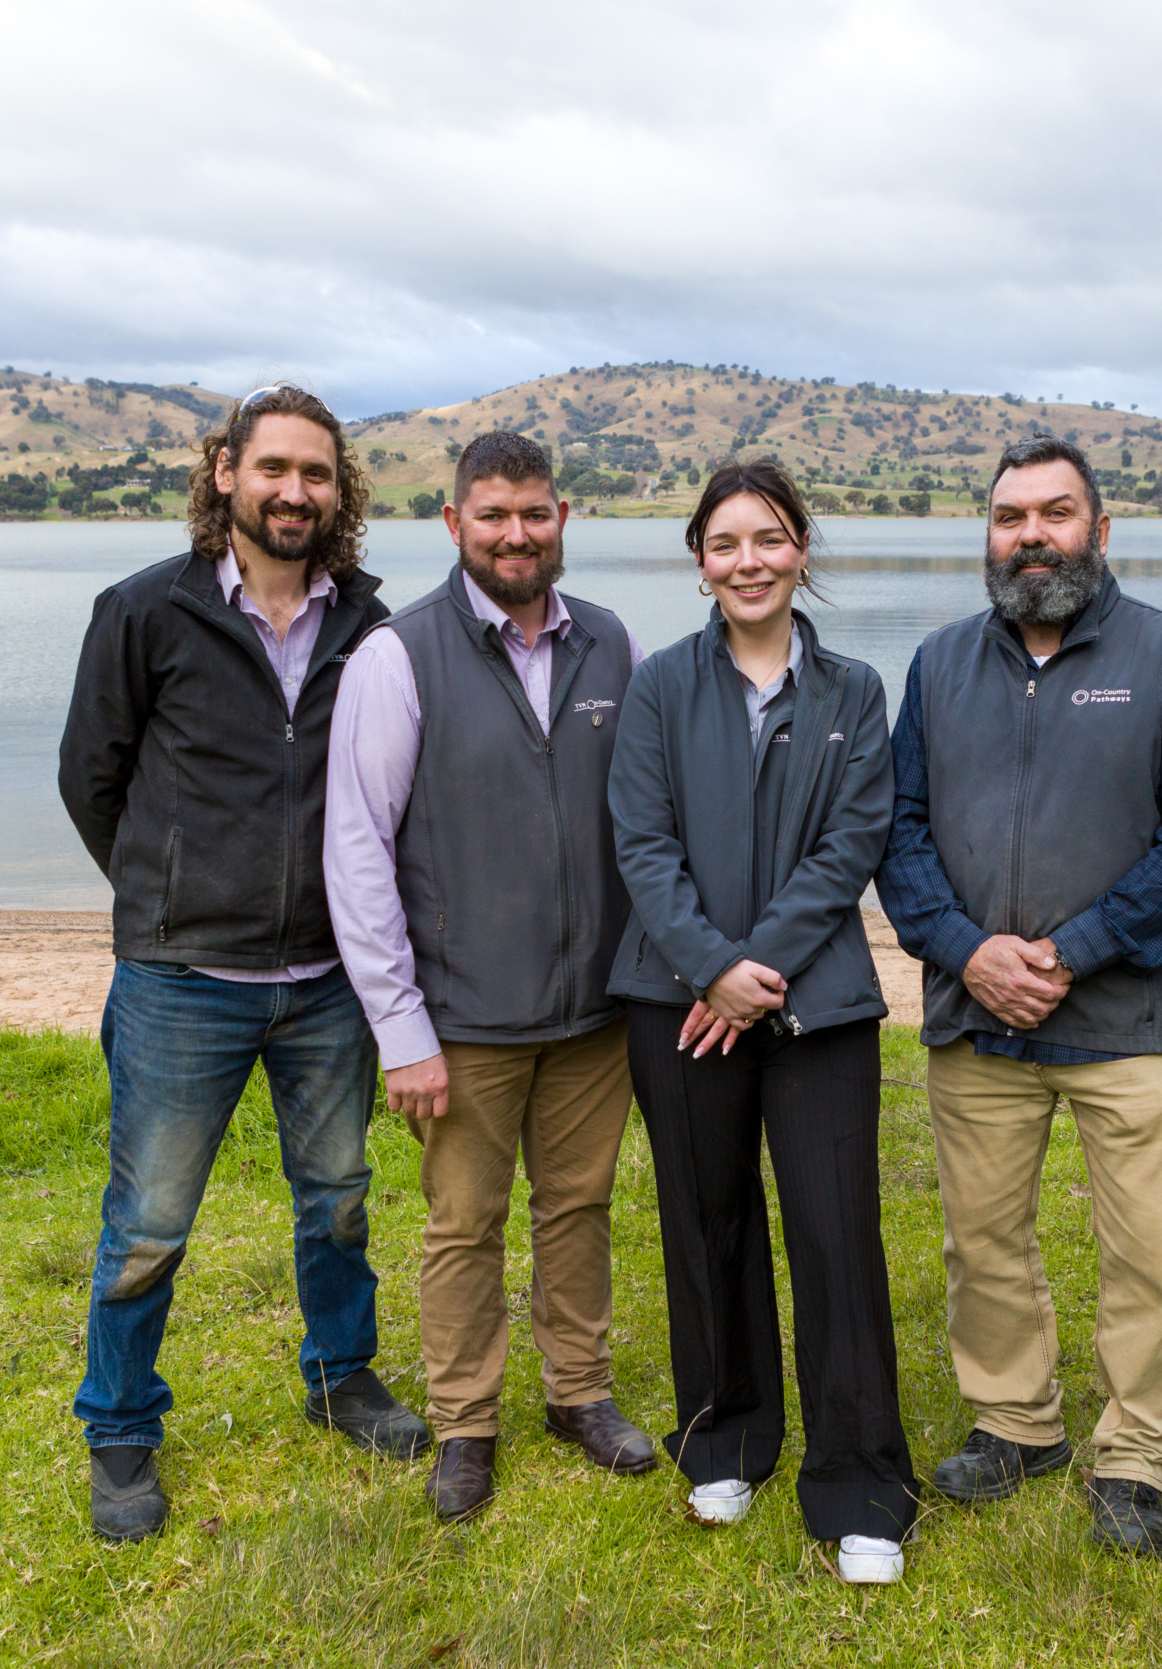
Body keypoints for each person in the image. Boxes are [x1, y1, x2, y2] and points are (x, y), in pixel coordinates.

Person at [57, 383, 428, 1544]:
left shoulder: (374, 626)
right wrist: (168, 892)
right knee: (151, 1222)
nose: (294, 492)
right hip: (180, 980)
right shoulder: (142, 613)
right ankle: (120, 1427)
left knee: (339, 1202)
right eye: (274, 468)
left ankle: (341, 1377)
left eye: (316, 474)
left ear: (340, 493)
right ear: (225, 472)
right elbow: (90, 779)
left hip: (328, 982)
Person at [876, 434, 1162, 1557]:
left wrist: (1072, 951)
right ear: (986, 536)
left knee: (1148, 1253)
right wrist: (967, 951)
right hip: (975, 1016)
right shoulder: (937, 664)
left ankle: (1135, 1456)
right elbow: (897, 832)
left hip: (1128, 1024)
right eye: (1007, 518)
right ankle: (1017, 1424)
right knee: (983, 1241)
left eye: (1052, 514)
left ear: (1099, 528)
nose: (1029, 537)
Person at [324, 430, 656, 1522]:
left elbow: (646, 821)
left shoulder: (613, 646)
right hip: (460, 1021)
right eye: (494, 513)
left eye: (536, 512)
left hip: (592, 1015)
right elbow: (358, 848)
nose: (516, 533)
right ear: (453, 522)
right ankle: (466, 1424)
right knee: (463, 1225)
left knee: (580, 1209)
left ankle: (578, 1395)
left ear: (563, 519)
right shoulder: (395, 654)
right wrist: (400, 1029)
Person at [607, 458, 917, 1583]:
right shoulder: (656, 687)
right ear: (700, 562)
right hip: (675, 1003)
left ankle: (860, 1483)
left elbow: (853, 845)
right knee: (706, 1219)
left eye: (769, 539)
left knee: (836, 1237)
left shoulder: (854, 695)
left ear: (800, 552)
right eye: (725, 543)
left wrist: (755, 969)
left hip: (816, 1005)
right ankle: (725, 1435)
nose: (748, 561)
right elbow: (639, 842)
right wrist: (707, 970)